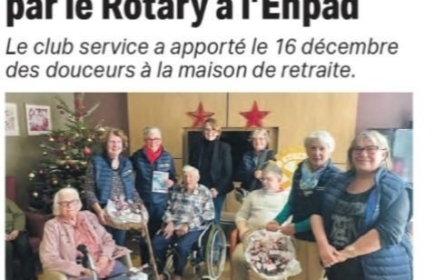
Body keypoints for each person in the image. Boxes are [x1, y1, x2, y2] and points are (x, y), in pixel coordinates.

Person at [310, 130, 413, 280]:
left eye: (371, 149)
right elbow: (317, 213)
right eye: (357, 148)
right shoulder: (337, 181)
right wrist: (323, 246)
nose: (363, 153)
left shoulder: (397, 188)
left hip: (380, 270)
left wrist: (345, 253)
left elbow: (388, 233)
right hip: (340, 267)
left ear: (383, 154)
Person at [266, 130, 341, 280]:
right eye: (312, 148)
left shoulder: (336, 176)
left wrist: (296, 227)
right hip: (297, 238)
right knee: (294, 276)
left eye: (322, 148)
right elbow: (292, 202)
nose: (317, 153)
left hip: (320, 240)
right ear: (306, 149)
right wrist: (277, 220)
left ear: (330, 150)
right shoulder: (300, 171)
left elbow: (326, 214)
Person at [40, 188, 130, 280]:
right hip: (80, 271)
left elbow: (108, 240)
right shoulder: (52, 226)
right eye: (64, 203)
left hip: (103, 264)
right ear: (58, 206)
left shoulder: (88, 216)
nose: (69, 206)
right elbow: (49, 258)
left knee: (123, 274)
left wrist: (104, 258)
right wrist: (80, 269)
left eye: (73, 201)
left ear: (78, 203)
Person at [152, 165, 215, 280]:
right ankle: (160, 273)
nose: (187, 179)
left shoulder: (204, 192)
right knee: (157, 243)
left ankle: (178, 274)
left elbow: (209, 214)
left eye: (191, 176)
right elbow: (167, 207)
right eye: (185, 176)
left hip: (194, 228)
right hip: (174, 225)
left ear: (197, 178)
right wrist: (169, 222)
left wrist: (188, 225)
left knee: (181, 247)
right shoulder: (176, 189)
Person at [84, 127, 143, 246]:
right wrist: (99, 211)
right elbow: (88, 190)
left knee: (119, 246)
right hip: (102, 212)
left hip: (121, 212)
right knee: (103, 247)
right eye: (112, 142)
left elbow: (132, 189)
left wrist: (139, 206)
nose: (115, 145)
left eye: (118, 142)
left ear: (123, 144)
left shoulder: (127, 163)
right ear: (106, 144)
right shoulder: (96, 162)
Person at [232, 163, 290, 280]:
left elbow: (290, 220)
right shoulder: (253, 195)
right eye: (262, 179)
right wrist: (242, 229)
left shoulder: (287, 196)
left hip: (276, 237)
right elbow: (241, 215)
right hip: (252, 234)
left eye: (268, 179)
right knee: (238, 257)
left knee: (266, 261)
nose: (264, 182)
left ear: (278, 179)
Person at [130, 126, 177, 265]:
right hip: (143, 204)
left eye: (156, 139)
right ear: (145, 140)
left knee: (159, 238)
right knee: (144, 239)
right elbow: (126, 175)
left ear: (160, 140)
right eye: (149, 139)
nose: (153, 142)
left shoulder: (167, 157)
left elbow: (174, 178)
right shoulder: (137, 156)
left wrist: (171, 182)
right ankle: (145, 265)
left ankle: (159, 267)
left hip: (160, 204)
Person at [188, 118, 233, 223]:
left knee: (213, 219)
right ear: (203, 131)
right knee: (197, 218)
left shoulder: (224, 147)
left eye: (213, 130)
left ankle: (214, 240)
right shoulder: (197, 146)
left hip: (217, 190)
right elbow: (191, 168)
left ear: (217, 132)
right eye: (207, 130)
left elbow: (228, 172)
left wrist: (217, 189)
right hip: (199, 189)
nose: (210, 133)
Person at [235, 128, 276, 202]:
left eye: (261, 139)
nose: (257, 142)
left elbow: (277, 176)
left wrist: (263, 174)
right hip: (248, 195)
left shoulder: (272, 156)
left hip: (265, 195)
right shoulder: (246, 155)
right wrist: (253, 173)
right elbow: (239, 175)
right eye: (255, 139)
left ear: (266, 141)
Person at [5, 198, 37, 280]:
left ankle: (29, 276)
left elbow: (19, 214)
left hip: (15, 230)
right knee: (7, 248)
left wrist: (16, 230)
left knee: (23, 244)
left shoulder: (5, 201)